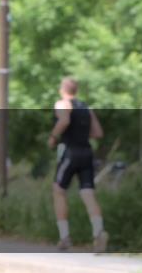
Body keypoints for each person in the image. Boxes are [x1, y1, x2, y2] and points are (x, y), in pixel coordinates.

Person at [48, 76, 109, 253]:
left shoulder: (62, 104)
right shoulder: (86, 108)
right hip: (87, 152)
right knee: (88, 193)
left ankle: (64, 237)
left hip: (70, 152)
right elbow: (98, 132)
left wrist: (53, 137)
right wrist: (81, 133)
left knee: (58, 190)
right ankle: (98, 231)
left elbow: (64, 120)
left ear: (62, 89)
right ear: (76, 91)